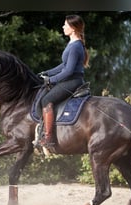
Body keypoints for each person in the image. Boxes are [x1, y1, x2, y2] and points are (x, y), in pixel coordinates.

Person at [39, 14, 90, 147]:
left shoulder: (75, 46)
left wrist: (51, 80)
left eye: (65, 25)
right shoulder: (73, 43)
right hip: (70, 79)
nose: (63, 27)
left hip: (73, 81)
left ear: (73, 28)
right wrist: (47, 73)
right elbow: (64, 65)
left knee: (46, 100)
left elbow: (68, 71)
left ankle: (49, 138)